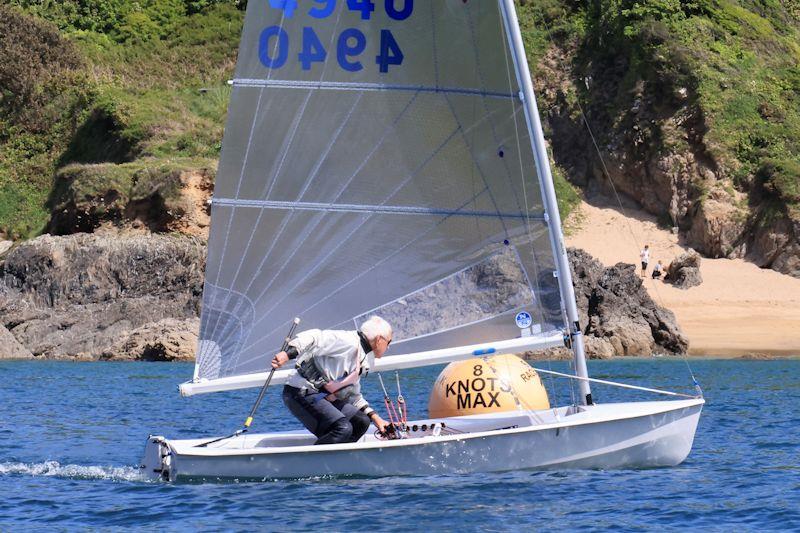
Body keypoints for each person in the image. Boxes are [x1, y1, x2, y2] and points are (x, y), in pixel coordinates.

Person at [271, 316, 393, 445]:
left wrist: (376, 418)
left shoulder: (363, 359)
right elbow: (315, 336)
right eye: (389, 342)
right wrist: (287, 354)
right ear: (379, 340)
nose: (388, 347)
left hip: (321, 397)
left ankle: (337, 461)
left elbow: (352, 396)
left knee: (361, 422)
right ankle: (310, 462)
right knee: (342, 429)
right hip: (299, 392)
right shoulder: (348, 341)